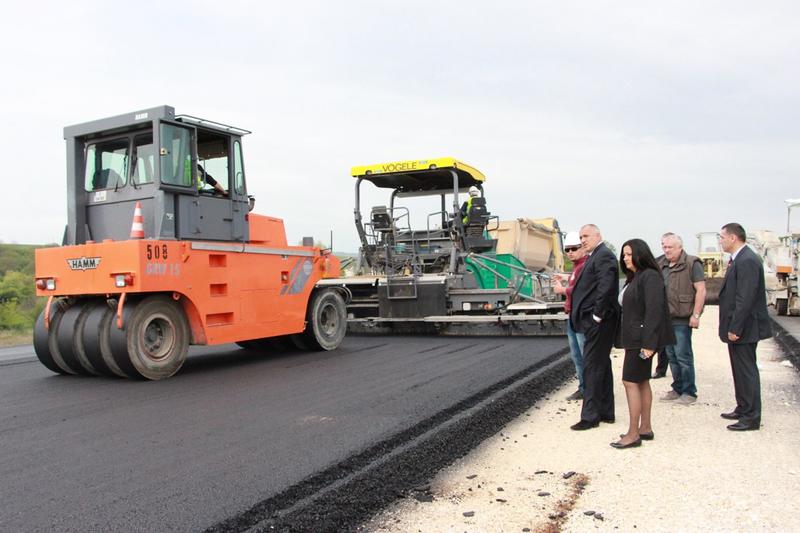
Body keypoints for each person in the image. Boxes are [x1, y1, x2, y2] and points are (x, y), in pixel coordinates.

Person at [613, 239, 675, 448]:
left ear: (640, 254)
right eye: (624, 254)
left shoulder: (650, 277)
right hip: (635, 339)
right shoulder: (635, 277)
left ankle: (633, 434)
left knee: (630, 382)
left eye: (629, 254)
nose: (625, 258)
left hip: (641, 342)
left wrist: (649, 344)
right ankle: (645, 428)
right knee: (641, 381)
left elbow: (654, 311)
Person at [717, 223, 772, 431]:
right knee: (739, 370)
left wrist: (736, 327)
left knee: (746, 371)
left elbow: (745, 298)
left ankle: (751, 417)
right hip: (740, 327)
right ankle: (743, 407)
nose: (720, 241)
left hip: (745, 328)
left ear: (733, 238)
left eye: (722, 237)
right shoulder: (739, 259)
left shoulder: (747, 260)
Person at [569, 224, 619, 430]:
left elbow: (605, 288)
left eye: (586, 236)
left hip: (599, 322)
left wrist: (596, 317)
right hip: (595, 321)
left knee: (592, 368)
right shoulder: (595, 256)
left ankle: (590, 417)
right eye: (581, 236)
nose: (582, 240)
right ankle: (606, 412)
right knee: (602, 367)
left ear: (598, 235)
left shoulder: (603, 256)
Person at [657, 233, 706, 405]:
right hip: (665, 319)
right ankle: (677, 388)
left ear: (680, 247)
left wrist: (696, 314)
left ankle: (689, 392)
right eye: (664, 246)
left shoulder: (692, 263)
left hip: (682, 318)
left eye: (670, 247)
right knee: (671, 355)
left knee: (683, 355)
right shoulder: (660, 263)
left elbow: (701, 290)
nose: (666, 250)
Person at [552, 231, 588, 401]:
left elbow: (583, 289)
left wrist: (562, 290)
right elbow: (578, 281)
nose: (570, 252)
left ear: (583, 248)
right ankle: (583, 387)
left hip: (580, 318)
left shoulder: (585, 265)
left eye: (574, 248)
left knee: (584, 355)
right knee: (577, 356)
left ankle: (589, 389)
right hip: (572, 316)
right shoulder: (577, 268)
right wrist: (567, 277)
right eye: (567, 250)